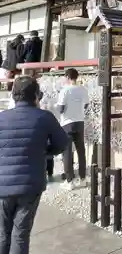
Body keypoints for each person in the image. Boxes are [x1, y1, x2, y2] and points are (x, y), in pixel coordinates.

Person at [0, 76, 68, 254]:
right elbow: (62, 143)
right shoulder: (44, 117)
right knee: (20, 234)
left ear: (14, 96)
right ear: (36, 96)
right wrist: (45, 152)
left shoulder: (2, 118)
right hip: (31, 184)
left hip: (2, 185)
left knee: (2, 233)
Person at [56, 68, 89, 191]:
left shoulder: (64, 90)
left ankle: (69, 181)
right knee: (81, 150)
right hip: (80, 121)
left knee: (67, 152)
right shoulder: (83, 89)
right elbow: (86, 105)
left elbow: (60, 109)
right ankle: (83, 178)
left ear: (67, 77)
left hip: (67, 123)